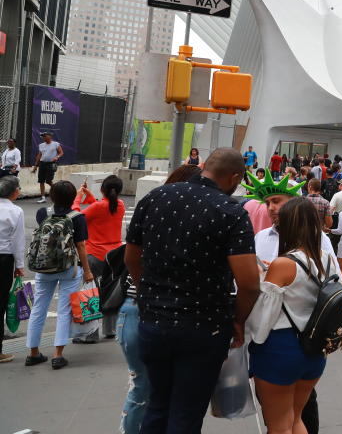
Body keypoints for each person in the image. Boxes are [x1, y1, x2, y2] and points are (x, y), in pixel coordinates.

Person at [125, 148, 260, 433]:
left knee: (157, 405)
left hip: (154, 323)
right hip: (204, 327)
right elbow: (249, 283)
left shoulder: (154, 198)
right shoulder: (231, 211)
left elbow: (131, 258)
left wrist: (147, 297)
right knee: (186, 414)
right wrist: (237, 320)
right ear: (235, 176)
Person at [116, 165, 197, 433]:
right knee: (151, 389)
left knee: (144, 387)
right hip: (150, 311)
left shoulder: (150, 212)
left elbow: (131, 258)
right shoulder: (187, 224)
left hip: (134, 309)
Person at [247, 198, 332, 434]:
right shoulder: (326, 258)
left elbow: (262, 319)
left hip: (279, 349)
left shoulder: (283, 263)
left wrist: (260, 277)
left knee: (278, 425)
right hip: (314, 348)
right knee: (295, 418)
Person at [25, 180, 95, 369]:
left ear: (51, 196)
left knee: (39, 307)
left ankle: (33, 353)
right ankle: (57, 355)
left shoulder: (42, 213)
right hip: (69, 269)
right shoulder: (77, 217)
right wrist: (87, 271)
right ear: (73, 198)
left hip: (44, 267)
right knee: (65, 310)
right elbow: (81, 246)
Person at [70, 175, 125, 343]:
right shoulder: (120, 205)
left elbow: (76, 217)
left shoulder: (99, 207)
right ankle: (110, 329)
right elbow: (101, 208)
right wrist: (91, 197)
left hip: (95, 255)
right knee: (111, 292)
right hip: (115, 256)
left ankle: (90, 334)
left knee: (91, 293)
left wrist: (79, 197)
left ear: (103, 190)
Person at [0, 176, 24, 363]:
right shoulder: (15, 211)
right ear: (14, 192)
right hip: (4, 259)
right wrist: (20, 266)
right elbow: (18, 242)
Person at [32, 131, 63, 203]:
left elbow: (61, 152)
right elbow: (39, 155)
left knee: (49, 180)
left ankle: (57, 191)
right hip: (42, 164)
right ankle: (43, 198)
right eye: (43, 136)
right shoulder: (41, 145)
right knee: (41, 181)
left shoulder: (55, 144)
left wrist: (57, 157)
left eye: (45, 136)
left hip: (51, 164)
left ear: (50, 136)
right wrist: (36, 166)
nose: (43, 137)